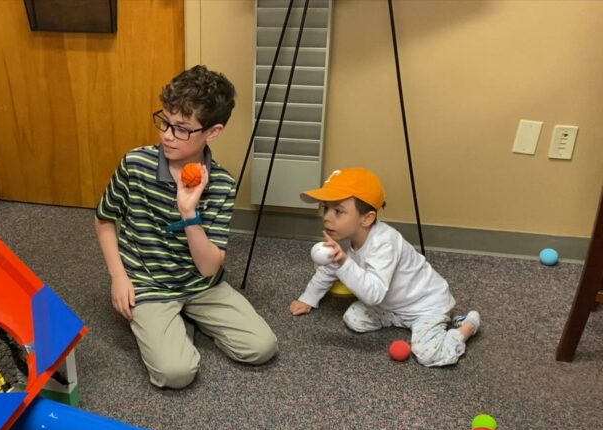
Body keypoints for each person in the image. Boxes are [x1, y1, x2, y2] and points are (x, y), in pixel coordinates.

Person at [95, 65, 277, 388]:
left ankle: (181, 320)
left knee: (263, 347)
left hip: (201, 284)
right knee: (176, 373)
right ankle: (170, 325)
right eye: (164, 121)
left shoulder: (221, 184)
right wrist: (118, 277)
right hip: (149, 284)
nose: (167, 134)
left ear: (213, 132)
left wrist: (188, 212)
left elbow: (208, 268)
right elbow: (105, 219)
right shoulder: (135, 164)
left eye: (182, 128)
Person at [289, 167, 480, 366]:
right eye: (325, 208)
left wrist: (344, 262)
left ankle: (468, 325)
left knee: (427, 354)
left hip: (425, 305)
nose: (327, 217)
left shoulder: (385, 243)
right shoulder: (344, 237)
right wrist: (308, 299)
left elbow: (374, 295)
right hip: (392, 304)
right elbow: (328, 269)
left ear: (367, 218)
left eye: (338, 211)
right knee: (353, 319)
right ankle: (400, 320)